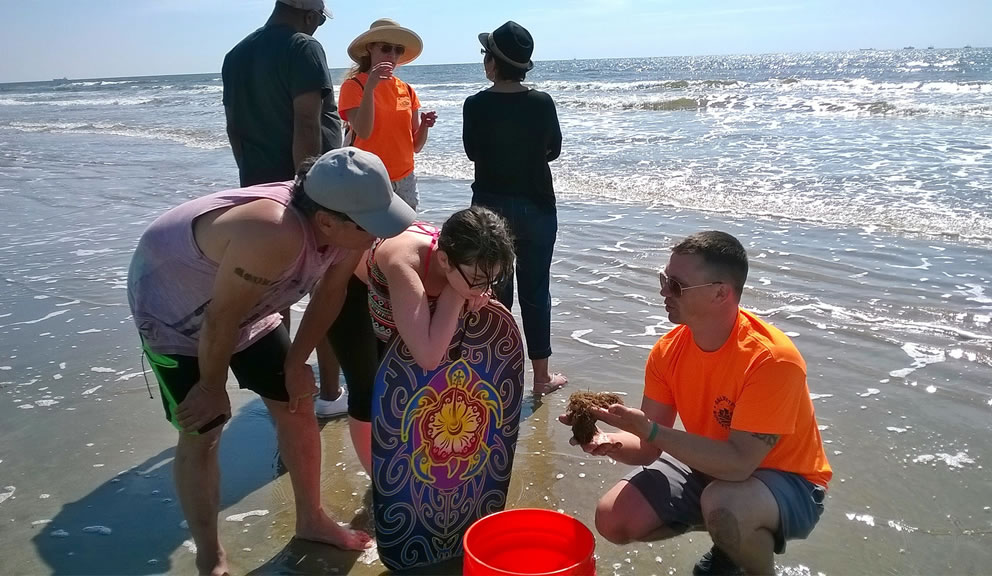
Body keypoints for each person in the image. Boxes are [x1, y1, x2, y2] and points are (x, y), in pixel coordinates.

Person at [127, 149, 416, 575]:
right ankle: (211, 556)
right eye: (370, 224)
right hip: (174, 313)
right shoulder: (273, 232)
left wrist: (297, 362)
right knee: (203, 429)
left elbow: (329, 294)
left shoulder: (346, 231)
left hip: (249, 306)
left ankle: (311, 519)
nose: (379, 235)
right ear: (327, 222)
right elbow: (220, 318)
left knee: (297, 404)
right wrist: (210, 388)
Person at [561, 231, 831, 576]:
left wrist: (652, 430)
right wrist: (605, 440)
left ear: (721, 293)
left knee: (724, 504)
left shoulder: (771, 360)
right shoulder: (668, 350)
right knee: (614, 517)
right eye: (664, 279)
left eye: (676, 285)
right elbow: (647, 447)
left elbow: (738, 465)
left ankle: (748, 562)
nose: (663, 291)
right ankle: (731, 545)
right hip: (711, 466)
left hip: (790, 482)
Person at [221, 0, 349, 419]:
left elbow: (234, 130)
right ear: (311, 16)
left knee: (276, 299)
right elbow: (307, 124)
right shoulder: (302, 48)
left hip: (259, 191)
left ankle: (284, 395)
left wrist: (253, 184)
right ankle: (329, 394)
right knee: (324, 292)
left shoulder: (236, 55)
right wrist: (306, 192)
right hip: (306, 192)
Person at [321, 206, 515, 473]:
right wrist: (457, 294)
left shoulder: (464, 264)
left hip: (407, 295)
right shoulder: (405, 263)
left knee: (417, 387)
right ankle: (377, 480)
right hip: (352, 294)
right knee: (367, 392)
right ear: (445, 260)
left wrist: (469, 286)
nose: (484, 290)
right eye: (478, 280)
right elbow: (429, 357)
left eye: (490, 280)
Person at [463, 21, 566, 394]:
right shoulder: (541, 102)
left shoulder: (475, 104)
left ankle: (498, 377)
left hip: (490, 208)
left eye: (485, 55)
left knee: (494, 290)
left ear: (493, 62)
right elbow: (553, 149)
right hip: (537, 205)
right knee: (536, 291)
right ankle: (540, 378)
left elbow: (472, 151)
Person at [339, 18, 436, 210]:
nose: (392, 54)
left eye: (398, 49)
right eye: (386, 48)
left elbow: (416, 146)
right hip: (368, 176)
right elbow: (364, 132)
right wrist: (370, 88)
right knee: (368, 237)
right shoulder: (354, 86)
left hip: (405, 177)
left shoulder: (406, 89)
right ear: (370, 48)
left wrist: (425, 126)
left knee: (403, 238)